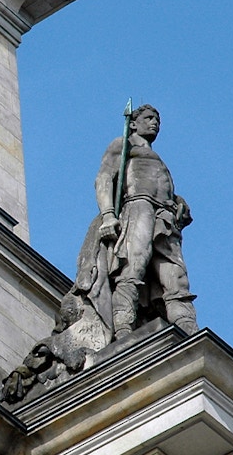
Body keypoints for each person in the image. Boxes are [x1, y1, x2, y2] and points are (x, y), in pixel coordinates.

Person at [75, 104, 198, 340]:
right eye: (149, 118)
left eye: (157, 120)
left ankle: (187, 328)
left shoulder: (155, 157)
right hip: (138, 207)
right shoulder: (123, 144)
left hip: (165, 215)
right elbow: (103, 179)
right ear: (133, 123)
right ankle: (123, 327)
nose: (155, 123)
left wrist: (177, 201)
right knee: (133, 266)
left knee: (176, 276)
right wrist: (109, 214)